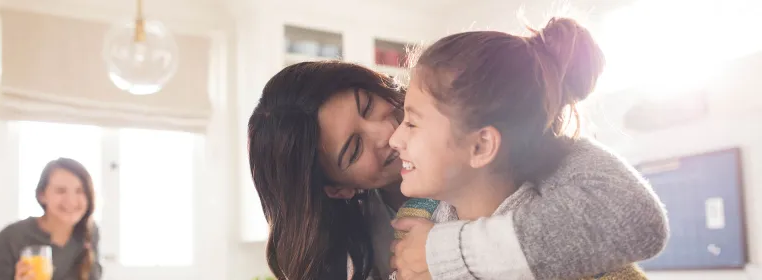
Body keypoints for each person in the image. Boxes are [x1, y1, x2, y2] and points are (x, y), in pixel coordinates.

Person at [247, 61, 667, 279]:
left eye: (369, 104)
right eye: (355, 148)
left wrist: (445, 254)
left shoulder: (492, 134)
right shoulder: (357, 245)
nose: (389, 131)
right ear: (337, 189)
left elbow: (636, 220)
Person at [388, 17, 663, 280]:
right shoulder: (412, 226)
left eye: (412, 123)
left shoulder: (598, 265)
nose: (394, 139)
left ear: (481, 146)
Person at [0, 158, 101, 280]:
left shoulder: (89, 232)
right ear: (42, 195)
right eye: (61, 191)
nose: (71, 200)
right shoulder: (11, 238)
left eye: (79, 191)